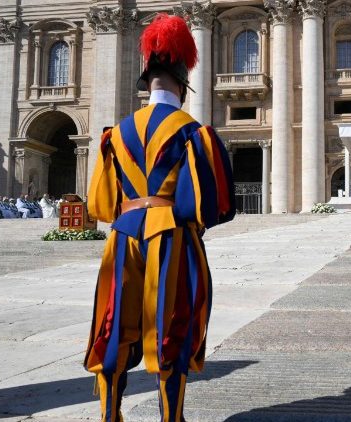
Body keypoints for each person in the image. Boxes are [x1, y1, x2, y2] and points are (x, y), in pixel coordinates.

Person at [82, 14, 235, 422]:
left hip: (123, 236)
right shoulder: (193, 132)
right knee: (172, 327)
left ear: (146, 82)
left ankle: (110, 416)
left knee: (114, 325)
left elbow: (101, 203)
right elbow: (211, 206)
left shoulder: (115, 134)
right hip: (173, 238)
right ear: (182, 85)